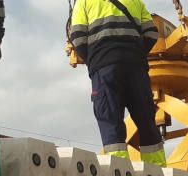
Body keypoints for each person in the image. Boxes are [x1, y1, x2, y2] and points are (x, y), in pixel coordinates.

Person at [68, 0, 166, 166]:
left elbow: (77, 38)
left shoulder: (84, 2)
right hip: (136, 68)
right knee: (146, 120)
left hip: (104, 68)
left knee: (110, 119)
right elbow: (151, 33)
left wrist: (95, 60)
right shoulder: (136, 1)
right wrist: (136, 53)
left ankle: (120, 171)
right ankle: (158, 172)